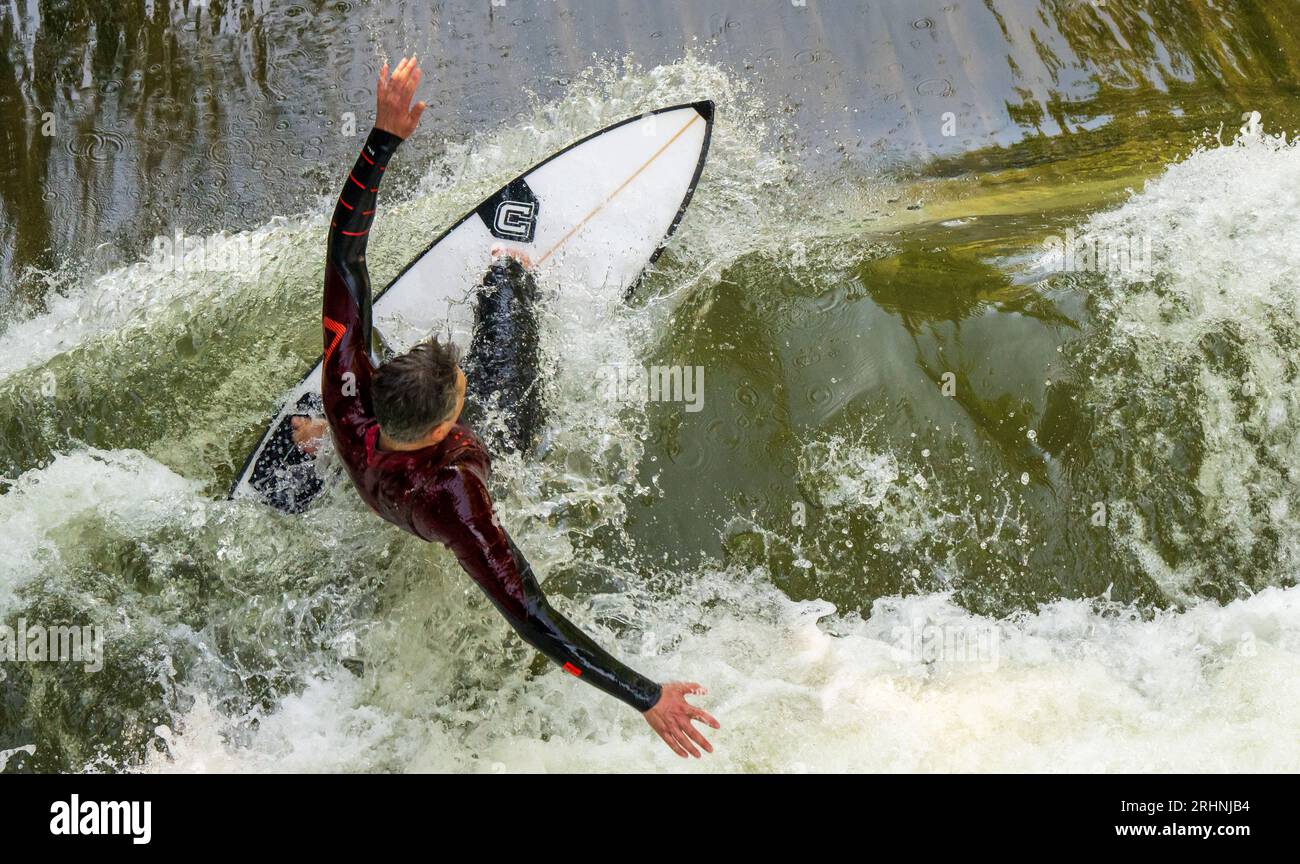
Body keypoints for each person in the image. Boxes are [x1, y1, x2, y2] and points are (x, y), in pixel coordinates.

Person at [291, 55, 719, 758]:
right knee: (510, 317)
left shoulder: (348, 392)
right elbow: (532, 614)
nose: (459, 378)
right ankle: (511, 272)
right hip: (423, 489)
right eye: (456, 387)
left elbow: (344, 258)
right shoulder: (457, 493)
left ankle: (316, 439)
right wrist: (646, 696)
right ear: (445, 422)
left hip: (371, 469)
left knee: (342, 429)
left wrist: (382, 140)